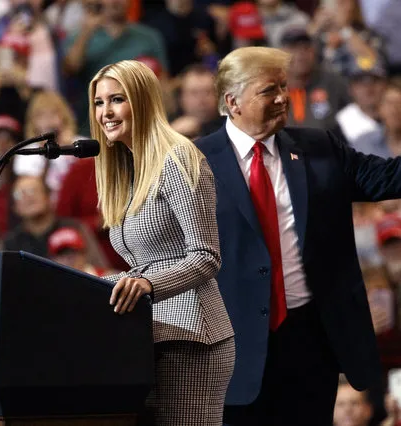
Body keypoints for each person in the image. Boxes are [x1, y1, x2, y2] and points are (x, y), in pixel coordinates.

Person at [196, 46, 401, 425]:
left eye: (283, 86)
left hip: (311, 338)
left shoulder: (319, 147)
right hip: (235, 343)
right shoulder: (195, 160)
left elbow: (390, 178)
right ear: (232, 101)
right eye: (269, 90)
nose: (283, 97)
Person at [88, 59, 234, 426]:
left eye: (116, 99)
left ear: (142, 100)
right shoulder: (128, 170)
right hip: (147, 335)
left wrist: (147, 284)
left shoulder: (178, 159)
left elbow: (206, 256)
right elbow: (145, 260)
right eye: (98, 102)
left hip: (193, 336)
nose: (105, 112)